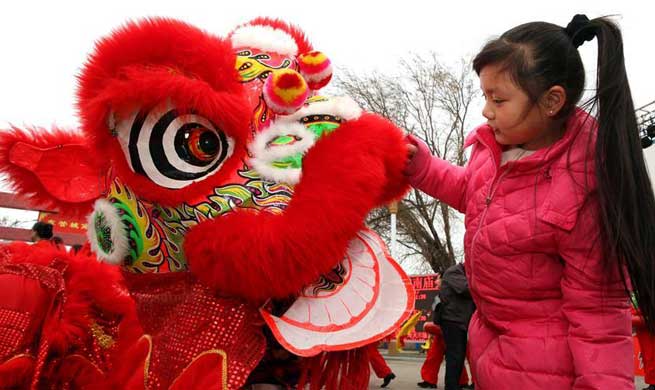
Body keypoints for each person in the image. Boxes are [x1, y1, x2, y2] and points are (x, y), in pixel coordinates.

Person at [405, 14, 655, 389]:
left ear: (552, 101)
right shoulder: (494, 152)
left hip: (547, 373)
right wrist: (421, 167)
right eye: (485, 96)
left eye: (499, 99)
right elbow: (473, 193)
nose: (487, 111)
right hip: (493, 353)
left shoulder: (582, 190)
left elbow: (598, 318)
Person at [434, 263, 475, 390]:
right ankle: (451, 386)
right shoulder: (454, 272)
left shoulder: (460, 273)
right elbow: (466, 289)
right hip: (452, 320)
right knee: (455, 356)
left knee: (458, 355)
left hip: (459, 320)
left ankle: (455, 385)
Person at [418, 321, 471, 389]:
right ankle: (429, 380)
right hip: (447, 328)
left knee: (454, 359)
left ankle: (462, 382)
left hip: (452, 329)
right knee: (434, 357)